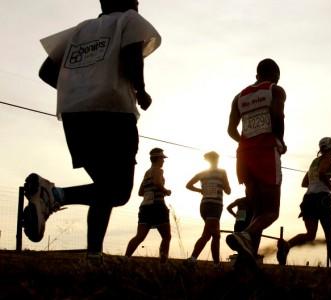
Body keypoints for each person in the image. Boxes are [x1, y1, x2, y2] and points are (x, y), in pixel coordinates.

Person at [23, 0, 160, 259]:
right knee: (118, 192)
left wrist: (80, 88)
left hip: (75, 117)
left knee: (104, 187)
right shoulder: (129, 19)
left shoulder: (79, 30)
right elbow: (132, 53)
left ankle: (94, 253)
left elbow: (46, 71)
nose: (139, 2)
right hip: (113, 113)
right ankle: (54, 195)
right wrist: (140, 90)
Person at [226, 58, 286, 264]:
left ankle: (247, 256)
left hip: (243, 156)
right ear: (276, 75)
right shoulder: (275, 91)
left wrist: (246, 140)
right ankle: (244, 235)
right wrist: (280, 141)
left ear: (257, 74)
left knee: (257, 210)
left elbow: (230, 130)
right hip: (266, 153)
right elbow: (278, 117)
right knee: (271, 212)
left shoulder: (239, 97)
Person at [277, 137, 331, 267]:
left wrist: (315, 185)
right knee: (329, 235)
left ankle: (286, 246)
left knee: (310, 234)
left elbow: (305, 182)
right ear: (330, 149)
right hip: (323, 200)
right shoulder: (328, 160)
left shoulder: (314, 162)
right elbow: (322, 173)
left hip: (309, 200)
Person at [125, 148, 171, 263]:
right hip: (158, 206)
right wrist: (166, 191)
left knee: (139, 236)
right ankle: (163, 263)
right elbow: (157, 183)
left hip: (145, 207)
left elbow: (140, 192)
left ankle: (125, 259)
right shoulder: (159, 170)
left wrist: (151, 191)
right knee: (166, 236)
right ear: (158, 159)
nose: (164, 161)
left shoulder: (147, 173)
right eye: (162, 158)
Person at [186, 151, 231, 266]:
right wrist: (224, 186)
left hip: (204, 206)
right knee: (207, 235)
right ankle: (192, 258)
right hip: (215, 206)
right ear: (216, 160)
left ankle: (216, 264)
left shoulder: (202, 173)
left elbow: (188, 185)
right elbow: (228, 191)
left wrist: (200, 190)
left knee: (216, 235)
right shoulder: (222, 172)